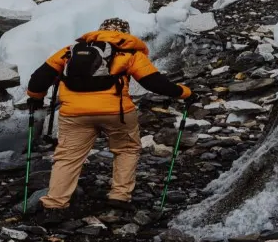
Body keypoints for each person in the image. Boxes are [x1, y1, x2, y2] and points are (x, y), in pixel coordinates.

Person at [25, 18, 192, 217]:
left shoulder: (70, 51)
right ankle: (119, 196)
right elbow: (154, 83)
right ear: (126, 33)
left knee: (67, 158)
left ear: (99, 31)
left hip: (74, 114)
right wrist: (184, 92)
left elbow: (38, 79)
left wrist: (35, 98)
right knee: (126, 149)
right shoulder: (130, 53)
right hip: (117, 113)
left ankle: (54, 205)